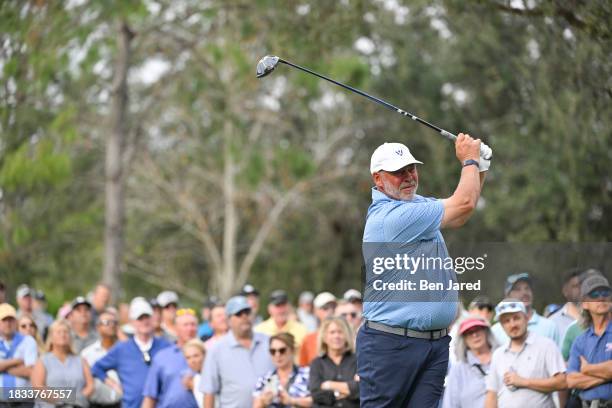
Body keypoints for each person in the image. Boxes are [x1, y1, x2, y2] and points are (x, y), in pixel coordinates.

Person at [359, 136, 490, 407]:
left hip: (434, 344)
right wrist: (470, 160)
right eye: (398, 172)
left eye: (411, 168)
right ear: (378, 179)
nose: (408, 176)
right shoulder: (390, 218)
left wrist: (481, 166)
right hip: (390, 345)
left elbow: (462, 213)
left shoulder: (416, 205)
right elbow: (463, 202)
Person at [484, 299, 567, 408]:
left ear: (526, 318)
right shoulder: (498, 354)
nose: (512, 324)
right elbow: (492, 394)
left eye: (516, 318)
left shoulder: (546, 345)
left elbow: (562, 382)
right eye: (506, 321)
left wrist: (524, 382)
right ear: (502, 325)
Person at [92, 297, 171, 408]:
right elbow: (97, 368)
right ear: (132, 322)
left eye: (147, 317)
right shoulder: (122, 349)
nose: (145, 321)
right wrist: (115, 386)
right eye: (140, 318)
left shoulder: (165, 346)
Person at [201, 296, 274, 408]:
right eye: (239, 314)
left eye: (247, 312)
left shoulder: (269, 342)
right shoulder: (217, 350)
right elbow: (209, 392)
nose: (244, 317)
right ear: (229, 320)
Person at [566, 273, 612, 405]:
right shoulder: (580, 341)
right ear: (585, 303)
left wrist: (588, 369)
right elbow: (571, 380)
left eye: (605, 293)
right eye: (594, 295)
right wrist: (607, 376)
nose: (601, 298)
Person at [142, 308, 199, 408]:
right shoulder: (162, 357)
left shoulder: (207, 354)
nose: (190, 329)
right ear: (176, 329)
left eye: (193, 324)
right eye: (185, 325)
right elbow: (150, 396)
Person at [31, 319, 94, 408]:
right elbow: (38, 386)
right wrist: (62, 400)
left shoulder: (80, 360)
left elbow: (90, 384)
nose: (63, 335)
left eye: (65, 332)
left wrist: (78, 399)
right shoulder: (43, 361)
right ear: (51, 337)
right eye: (58, 332)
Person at [442, 317, 498, 408]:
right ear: (463, 339)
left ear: (486, 331)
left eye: (478, 330)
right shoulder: (458, 369)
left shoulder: (502, 357)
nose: (475, 335)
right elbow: (449, 403)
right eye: (469, 333)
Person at [491, 273, 560, 346]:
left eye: (527, 288)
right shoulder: (496, 330)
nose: (524, 293)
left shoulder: (550, 326)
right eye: (518, 289)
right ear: (507, 296)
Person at [309, 317, 359, 407]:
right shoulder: (317, 363)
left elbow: (361, 389)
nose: (336, 336)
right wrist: (344, 391)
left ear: (347, 335)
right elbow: (315, 393)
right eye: (332, 332)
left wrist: (329, 384)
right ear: (324, 337)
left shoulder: (358, 360)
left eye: (340, 332)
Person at [253, 333, 312, 407]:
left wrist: (292, 400)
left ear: (292, 350)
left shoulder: (307, 374)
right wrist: (263, 401)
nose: (277, 355)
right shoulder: (264, 379)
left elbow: (318, 401)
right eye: (273, 351)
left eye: (282, 350)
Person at [81, 309, 122, 408]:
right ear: (98, 327)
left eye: (114, 322)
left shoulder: (125, 351)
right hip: (95, 404)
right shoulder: (87, 353)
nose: (111, 325)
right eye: (107, 322)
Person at [0, 303, 38, 405]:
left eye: (11, 320)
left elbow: (30, 371)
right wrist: (17, 361)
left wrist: (4, 367)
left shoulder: (28, 340)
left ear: (16, 322)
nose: (8, 323)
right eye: (4, 320)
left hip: (24, 401)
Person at [256, 290, 308, 356]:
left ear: (289, 307)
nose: (281, 310)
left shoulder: (302, 330)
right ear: (269, 309)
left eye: (283, 305)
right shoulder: (259, 331)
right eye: (277, 306)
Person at [299, 293, 337, 367]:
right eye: (325, 308)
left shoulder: (345, 336)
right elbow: (303, 367)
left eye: (334, 307)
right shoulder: (308, 339)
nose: (330, 311)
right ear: (316, 311)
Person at [549, 268, 584, 341]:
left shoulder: (597, 317)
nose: (580, 288)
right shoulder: (553, 322)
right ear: (565, 291)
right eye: (575, 286)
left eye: (583, 285)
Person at [182, 339, 206, 408]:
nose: (192, 361)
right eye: (188, 358)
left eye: (196, 356)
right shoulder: (195, 379)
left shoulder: (215, 375)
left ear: (204, 355)